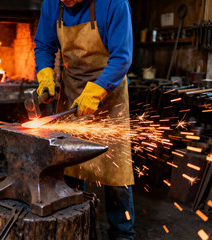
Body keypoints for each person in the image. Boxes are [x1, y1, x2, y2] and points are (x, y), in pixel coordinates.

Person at [34, 0, 135, 239]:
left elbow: (122, 57)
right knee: (70, 169)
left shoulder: (114, 3)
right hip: (71, 93)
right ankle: (77, 229)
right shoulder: (52, 4)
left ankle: (122, 234)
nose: (65, 1)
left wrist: (96, 91)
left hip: (108, 94)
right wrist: (46, 75)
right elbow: (43, 46)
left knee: (115, 174)